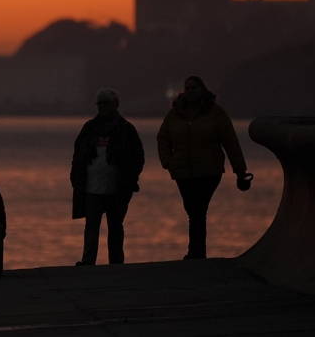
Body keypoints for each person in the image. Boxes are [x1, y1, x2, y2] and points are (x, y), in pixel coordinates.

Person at [156, 76, 251, 260]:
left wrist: (240, 171)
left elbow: (231, 143)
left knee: (198, 209)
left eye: (194, 88)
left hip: (209, 170)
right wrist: (168, 161)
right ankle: (197, 252)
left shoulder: (216, 113)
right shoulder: (175, 113)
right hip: (182, 171)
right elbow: (163, 138)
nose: (190, 91)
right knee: (192, 209)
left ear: (202, 90)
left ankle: (196, 252)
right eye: (187, 88)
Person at [70, 88, 144, 265]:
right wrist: (75, 177)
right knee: (91, 226)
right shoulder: (89, 128)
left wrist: (129, 180)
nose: (101, 106)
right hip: (91, 188)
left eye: (106, 103)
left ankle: (116, 262)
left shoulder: (127, 129)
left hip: (117, 189)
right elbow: (78, 155)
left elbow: (138, 158)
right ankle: (88, 261)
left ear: (116, 105)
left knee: (116, 227)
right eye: (99, 103)